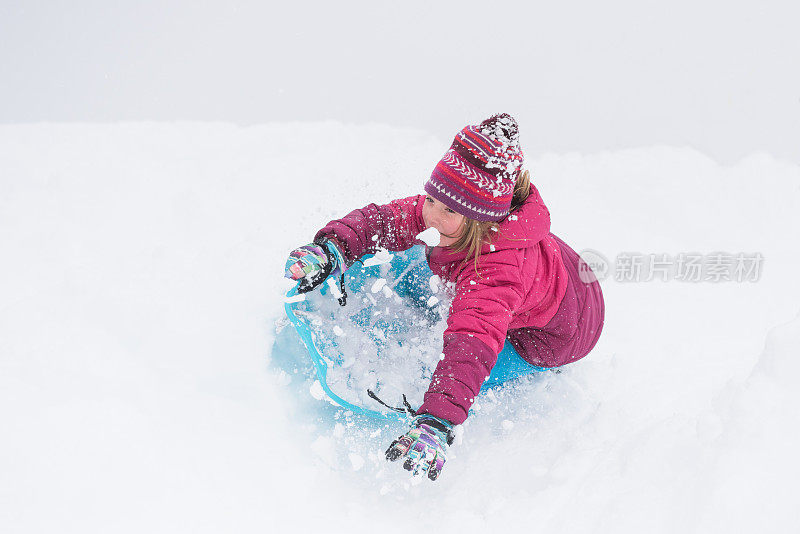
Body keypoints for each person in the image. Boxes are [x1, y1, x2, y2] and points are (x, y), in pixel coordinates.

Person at [284, 113, 605, 481]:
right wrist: (332, 249)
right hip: (559, 270)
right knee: (424, 258)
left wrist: (436, 421)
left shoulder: (493, 275)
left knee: (459, 348)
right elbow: (385, 220)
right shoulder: (450, 212)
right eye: (432, 199)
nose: (431, 213)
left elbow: (472, 345)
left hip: (562, 331)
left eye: (447, 209)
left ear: (480, 219)